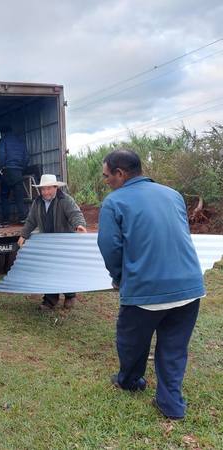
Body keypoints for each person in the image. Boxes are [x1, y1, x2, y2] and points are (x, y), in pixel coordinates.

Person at [97, 148, 205, 421]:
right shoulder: (173, 195)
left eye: (107, 175)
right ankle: (172, 405)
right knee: (174, 347)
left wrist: (120, 277)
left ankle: (131, 381)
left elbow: (109, 247)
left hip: (146, 290)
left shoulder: (114, 202)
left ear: (120, 174)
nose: (105, 180)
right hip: (190, 288)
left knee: (131, 341)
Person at [17, 174, 87, 310]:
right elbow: (31, 220)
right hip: (47, 244)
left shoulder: (65, 200)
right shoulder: (37, 202)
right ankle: (50, 300)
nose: (46, 192)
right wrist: (23, 235)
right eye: (43, 189)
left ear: (56, 188)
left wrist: (79, 225)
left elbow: (75, 214)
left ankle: (70, 295)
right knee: (48, 271)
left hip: (64, 244)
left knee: (65, 270)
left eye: (49, 189)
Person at [0, 126, 29, 223]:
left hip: (7, 170)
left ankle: (6, 219)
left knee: (4, 195)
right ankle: (23, 217)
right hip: (18, 171)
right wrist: (22, 168)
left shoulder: (3, 141)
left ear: (2, 133)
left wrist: (1, 168)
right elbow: (27, 157)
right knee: (19, 195)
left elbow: (2, 155)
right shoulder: (20, 141)